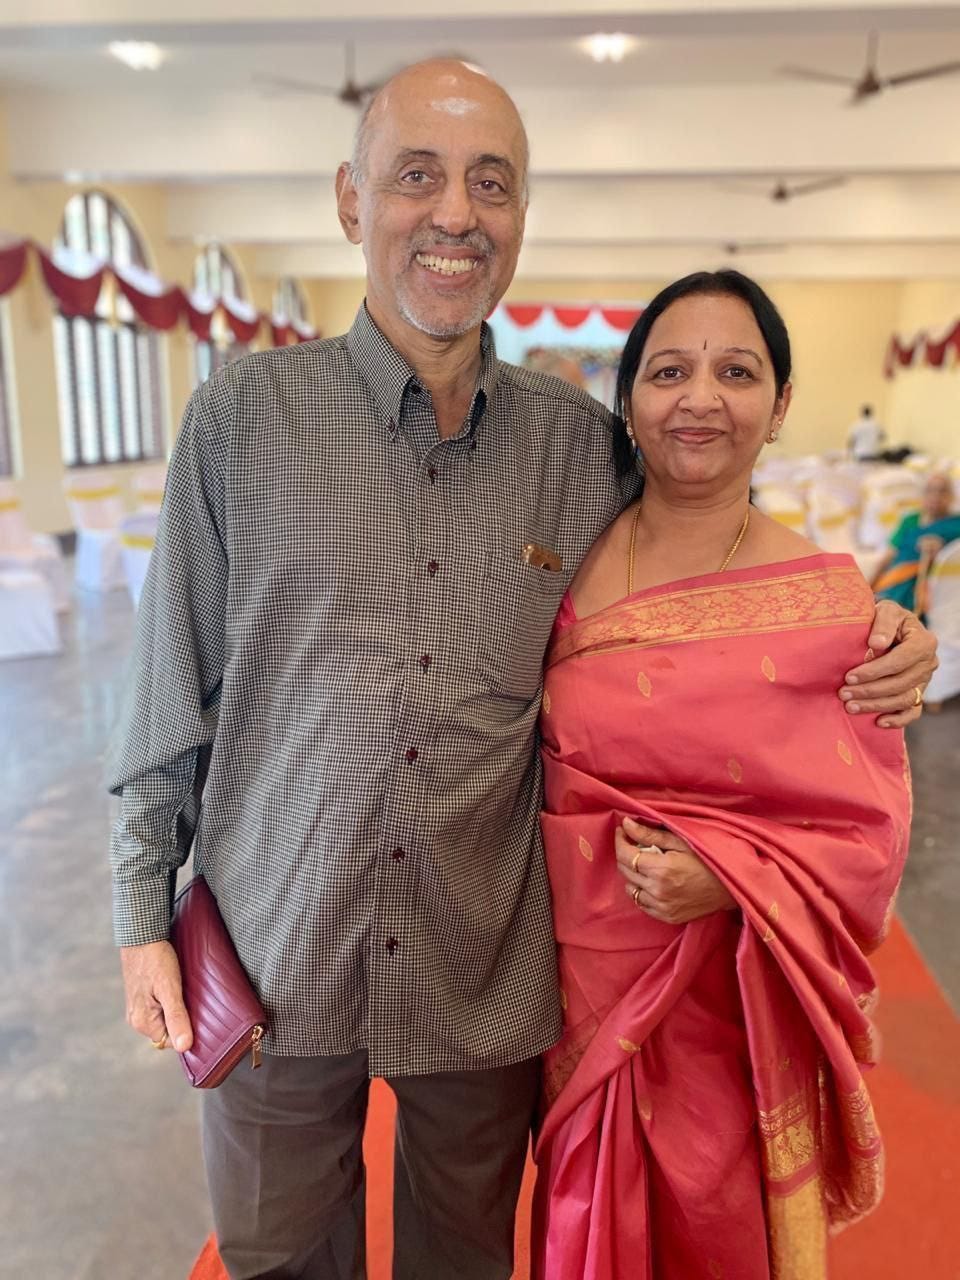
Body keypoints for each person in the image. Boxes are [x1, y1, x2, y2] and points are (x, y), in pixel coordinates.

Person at [110, 62, 935, 1280]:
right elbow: (163, 688)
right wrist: (142, 916)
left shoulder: (578, 448)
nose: (455, 212)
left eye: (490, 184)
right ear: (350, 199)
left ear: (521, 216)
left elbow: (701, 559)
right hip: (277, 946)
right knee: (278, 1258)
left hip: (480, 965)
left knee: (465, 1260)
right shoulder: (243, 421)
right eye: (418, 176)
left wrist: (871, 630)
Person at [532, 271, 914, 1279]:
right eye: (669, 372)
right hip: (573, 987)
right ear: (627, 401)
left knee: (715, 1228)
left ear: (779, 405)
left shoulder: (831, 612)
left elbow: (867, 839)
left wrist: (730, 878)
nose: (700, 398)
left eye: (736, 373)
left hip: (732, 1008)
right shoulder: (557, 562)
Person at [872, 471, 960, 614]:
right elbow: (889, 556)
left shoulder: (956, 525)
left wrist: (943, 548)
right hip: (894, 582)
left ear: (951, 496)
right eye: (930, 490)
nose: (936, 496)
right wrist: (868, 586)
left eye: (942, 491)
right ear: (922, 495)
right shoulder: (910, 520)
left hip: (935, 591)